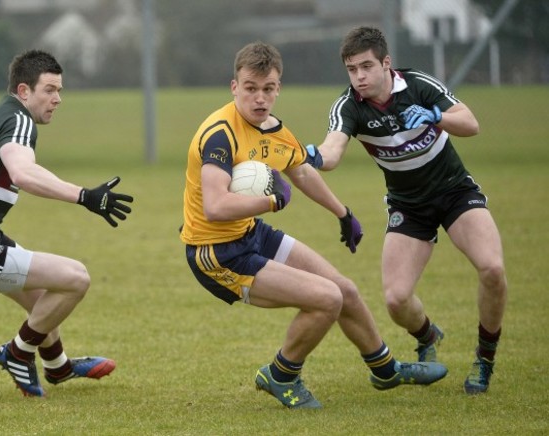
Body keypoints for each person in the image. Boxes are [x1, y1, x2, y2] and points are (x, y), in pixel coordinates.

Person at [180, 41, 448, 410]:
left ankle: (384, 368)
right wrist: (270, 201)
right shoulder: (219, 135)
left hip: (250, 233)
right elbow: (215, 206)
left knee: (346, 290)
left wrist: (342, 213)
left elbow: (301, 171)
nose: (260, 98)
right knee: (326, 300)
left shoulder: (273, 128)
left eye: (268, 88)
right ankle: (281, 374)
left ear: (278, 88)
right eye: (251, 88)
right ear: (234, 87)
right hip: (217, 253)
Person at [306, 26, 507, 395]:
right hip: (408, 206)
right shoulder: (349, 105)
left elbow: (471, 124)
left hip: (455, 194)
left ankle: (485, 358)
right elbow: (333, 150)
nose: (359, 77)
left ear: (386, 63)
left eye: (366, 67)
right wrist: (313, 155)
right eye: (352, 69)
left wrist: (435, 115)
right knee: (397, 300)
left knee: (492, 269)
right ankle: (427, 334)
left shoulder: (417, 85)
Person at [0, 49, 134, 397]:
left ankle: (59, 367)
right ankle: (16, 353)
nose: (58, 99)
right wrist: (84, 196)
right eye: (50, 90)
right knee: (75, 279)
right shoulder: (18, 120)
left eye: (60, 90)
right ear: (24, 91)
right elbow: (23, 173)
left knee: (43, 301)